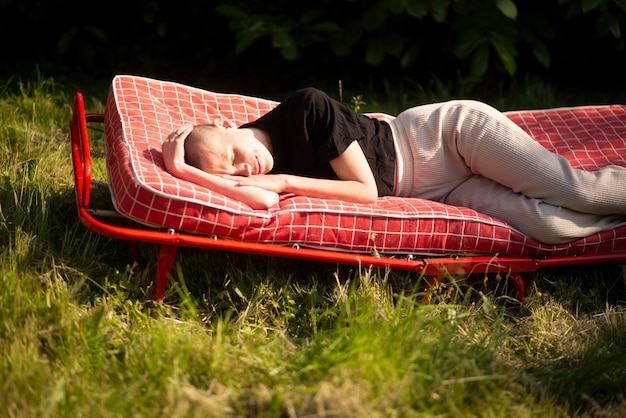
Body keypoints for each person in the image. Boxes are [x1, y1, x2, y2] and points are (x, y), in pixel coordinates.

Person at [162, 87, 626, 244]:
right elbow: (263, 200)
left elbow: (366, 191)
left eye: (235, 155)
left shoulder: (306, 109)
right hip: (434, 192)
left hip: (446, 140)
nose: (247, 168)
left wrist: (283, 180)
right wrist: (187, 173)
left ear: (227, 122)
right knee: (550, 228)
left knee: (577, 192)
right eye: (233, 174)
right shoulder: (256, 177)